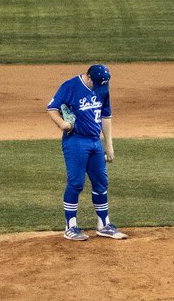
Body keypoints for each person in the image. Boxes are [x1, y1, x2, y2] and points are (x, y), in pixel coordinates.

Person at [46, 63, 127, 240]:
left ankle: (103, 225)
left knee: (101, 182)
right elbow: (52, 108)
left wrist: (109, 144)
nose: (100, 88)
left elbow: (106, 116)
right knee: (76, 183)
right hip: (76, 141)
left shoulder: (102, 86)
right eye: (96, 84)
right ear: (88, 77)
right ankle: (70, 227)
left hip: (95, 141)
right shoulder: (70, 86)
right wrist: (62, 124)